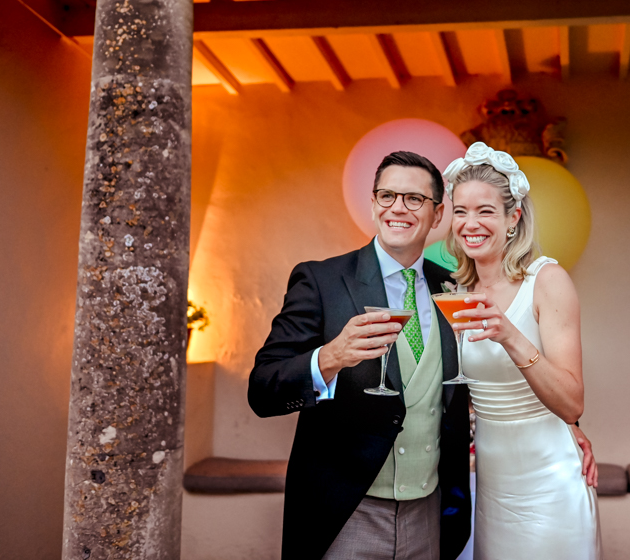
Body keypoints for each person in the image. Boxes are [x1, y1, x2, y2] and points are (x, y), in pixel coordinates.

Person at [247, 150, 596, 560]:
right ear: (373, 204)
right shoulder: (321, 280)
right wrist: (331, 356)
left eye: (414, 199)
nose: (399, 207)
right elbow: (263, 389)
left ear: (435, 215)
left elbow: (467, 385)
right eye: (387, 195)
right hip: (347, 510)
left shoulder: (453, 288)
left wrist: (566, 425)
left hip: (431, 512)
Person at [442, 142, 602, 559]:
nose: (469, 223)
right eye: (460, 211)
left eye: (485, 211)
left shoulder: (546, 280)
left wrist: (510, 335)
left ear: (513, 217)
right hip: (492, 486)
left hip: (549, 482)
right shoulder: (457, 291)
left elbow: (571, 402)